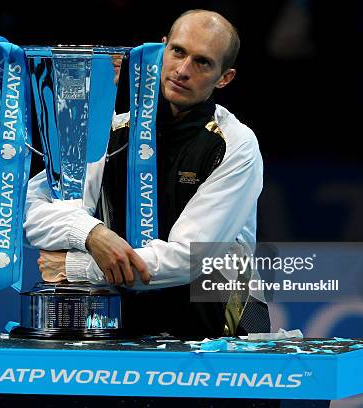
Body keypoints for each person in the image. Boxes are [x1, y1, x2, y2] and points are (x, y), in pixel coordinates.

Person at [24, 9, 269, 339]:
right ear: (162, 48)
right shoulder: (114, 131)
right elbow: (32, 210)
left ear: (224, 77)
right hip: (131, 329)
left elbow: (187, 259)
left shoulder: (236, 145)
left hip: (225, 336)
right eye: (178, 52)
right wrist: (91, 234)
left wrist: (78, 266)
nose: (183, 70)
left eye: (203, 62)